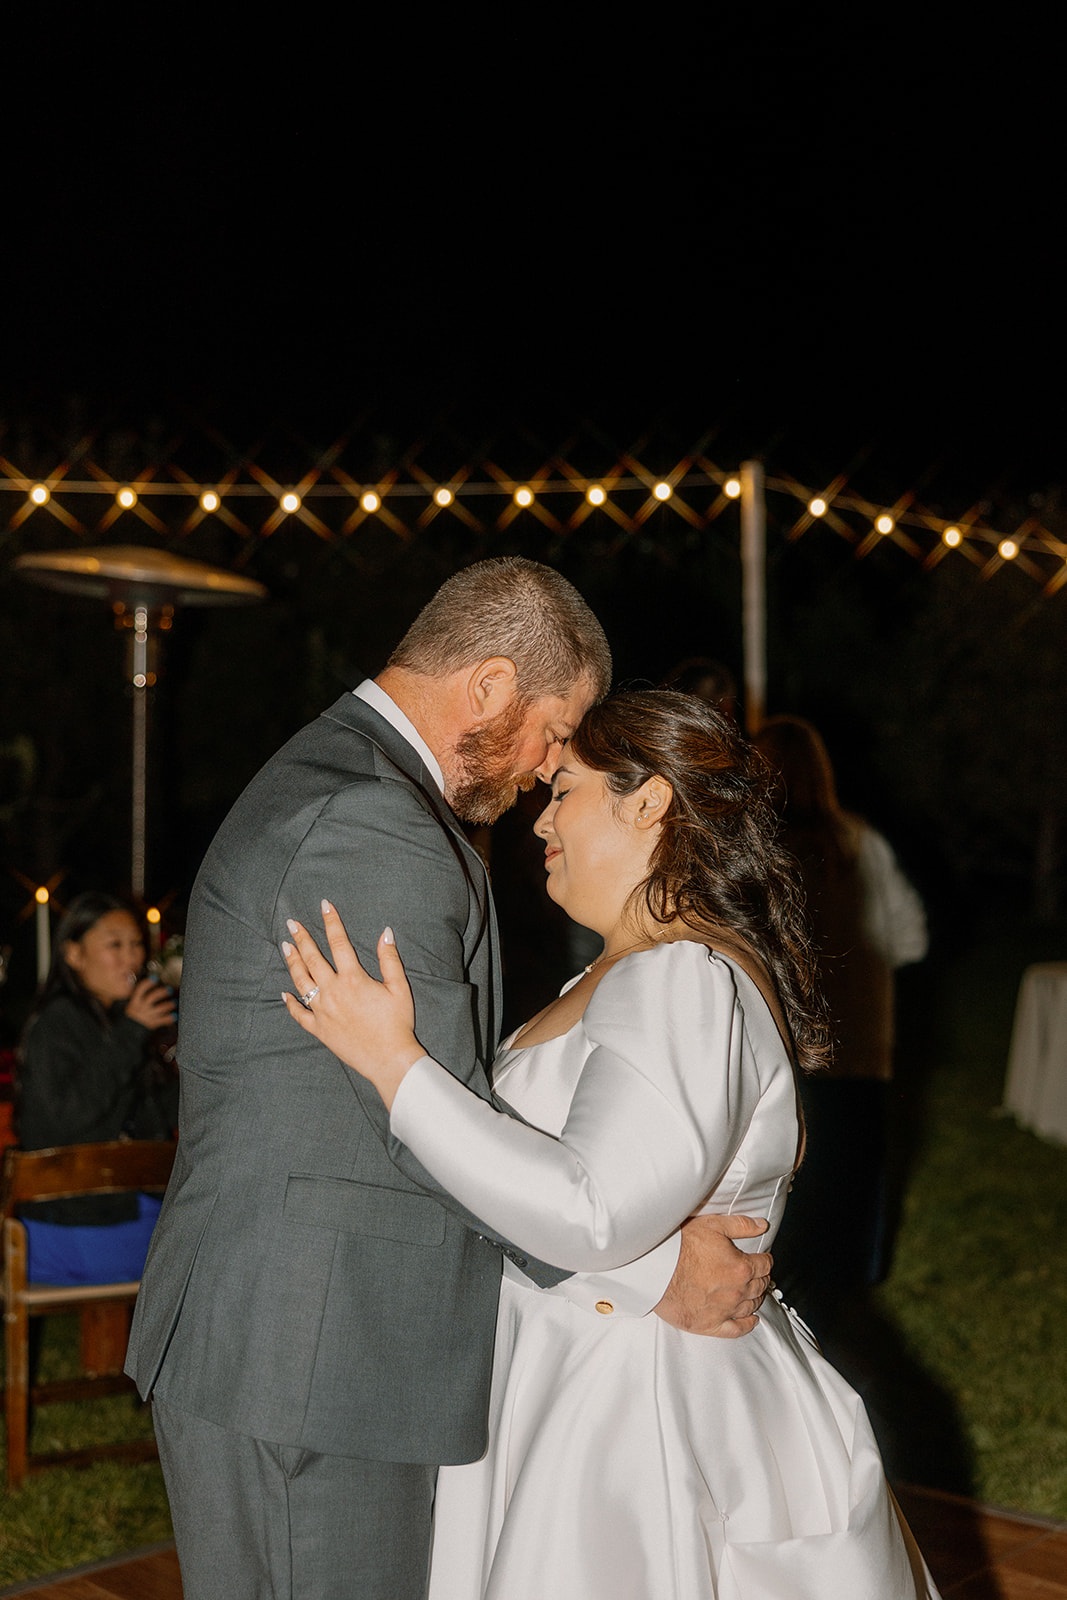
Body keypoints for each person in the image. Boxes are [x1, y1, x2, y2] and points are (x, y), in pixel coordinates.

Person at [125, 559, 772, 1600]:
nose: (545, 771)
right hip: (314, 1358)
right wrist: (649, 1273)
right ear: (487, 686)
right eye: (553, 729)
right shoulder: (371, 823)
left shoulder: (352, 786)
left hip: (304, 1346)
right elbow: (418, 1123)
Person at [281, 691, 940, 1598]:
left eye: (566, 792)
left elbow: (593, 1211)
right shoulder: (625, 970)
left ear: (649, 802)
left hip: (634, 1412)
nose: (541, 819)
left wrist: (396, 1066)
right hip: (584, 1365)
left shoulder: (681, 975)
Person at [752, 715, 928, 1328]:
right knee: (855, 1173)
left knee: (791, 1180)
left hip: (783, 1052)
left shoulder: (753, 850)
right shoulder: (863, 843)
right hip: (858, 1051)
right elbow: (910, 940)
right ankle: (850, 1282)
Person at [17, 891, 177, 1285]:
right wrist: (131, 1034)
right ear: (74, 955)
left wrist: (179, 1049)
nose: (133, 957)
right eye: (115, 945)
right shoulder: (57, 1024)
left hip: (124, 1210)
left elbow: (165, 1115)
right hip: (72, 1222)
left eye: (137, 943)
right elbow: (66, 1121)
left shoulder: (122, 1023)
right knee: (207, 1253)